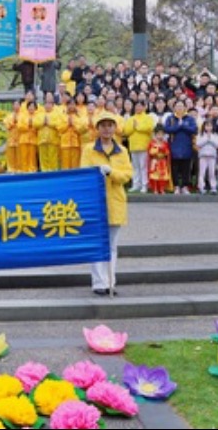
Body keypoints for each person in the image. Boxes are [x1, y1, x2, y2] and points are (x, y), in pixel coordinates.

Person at [81, 110, 133, 296]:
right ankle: (98, 282)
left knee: (111, 245)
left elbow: (127, 175)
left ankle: (110, 281)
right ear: (97, 129)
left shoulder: (122, 151)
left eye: (110, 125)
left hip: (115, 201)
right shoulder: (89, 149)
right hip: (96, 202)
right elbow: (84, 172)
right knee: (97, 244)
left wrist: (111, 172)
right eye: (103, 125)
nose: (107, 129)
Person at [164, 101, 197, 194]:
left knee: (186, 168)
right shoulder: (170, 118)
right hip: (174, 146)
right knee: (174, 168)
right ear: (174, 108)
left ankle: (185, 186)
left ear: (185, 108)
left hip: (186, 146)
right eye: (177, 106)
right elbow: (167, 129)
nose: (179, 108)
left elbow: (194, 129)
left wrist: (183, 126)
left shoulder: (189, 118)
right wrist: (179, 126)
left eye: (181, 106)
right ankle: (176, 186)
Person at [197, 119, 218, 195]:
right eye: (207, 126)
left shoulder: (215, 135)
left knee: (212, 172)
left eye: (210, 126)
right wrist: (206, 139)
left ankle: (213, 187)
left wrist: (210, 140)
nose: (209, 128)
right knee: (202, 172)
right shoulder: (200, 135)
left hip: (212, 156)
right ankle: (201, 187)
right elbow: (198, 144)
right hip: (203, 156)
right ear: (204, 127)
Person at [147, 124, 171, 194]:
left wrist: (164, 150)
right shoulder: (152, 143)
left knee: (162, 176)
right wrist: (157, 149)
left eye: (162, 134)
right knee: (154, 176)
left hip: (162, 162)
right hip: (155, 161)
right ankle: (155, 189)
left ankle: (162, 188)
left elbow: (167, 152)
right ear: (155, 134)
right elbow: (150, 152)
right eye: (158, 134)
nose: (160, 136)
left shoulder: (165, 143)